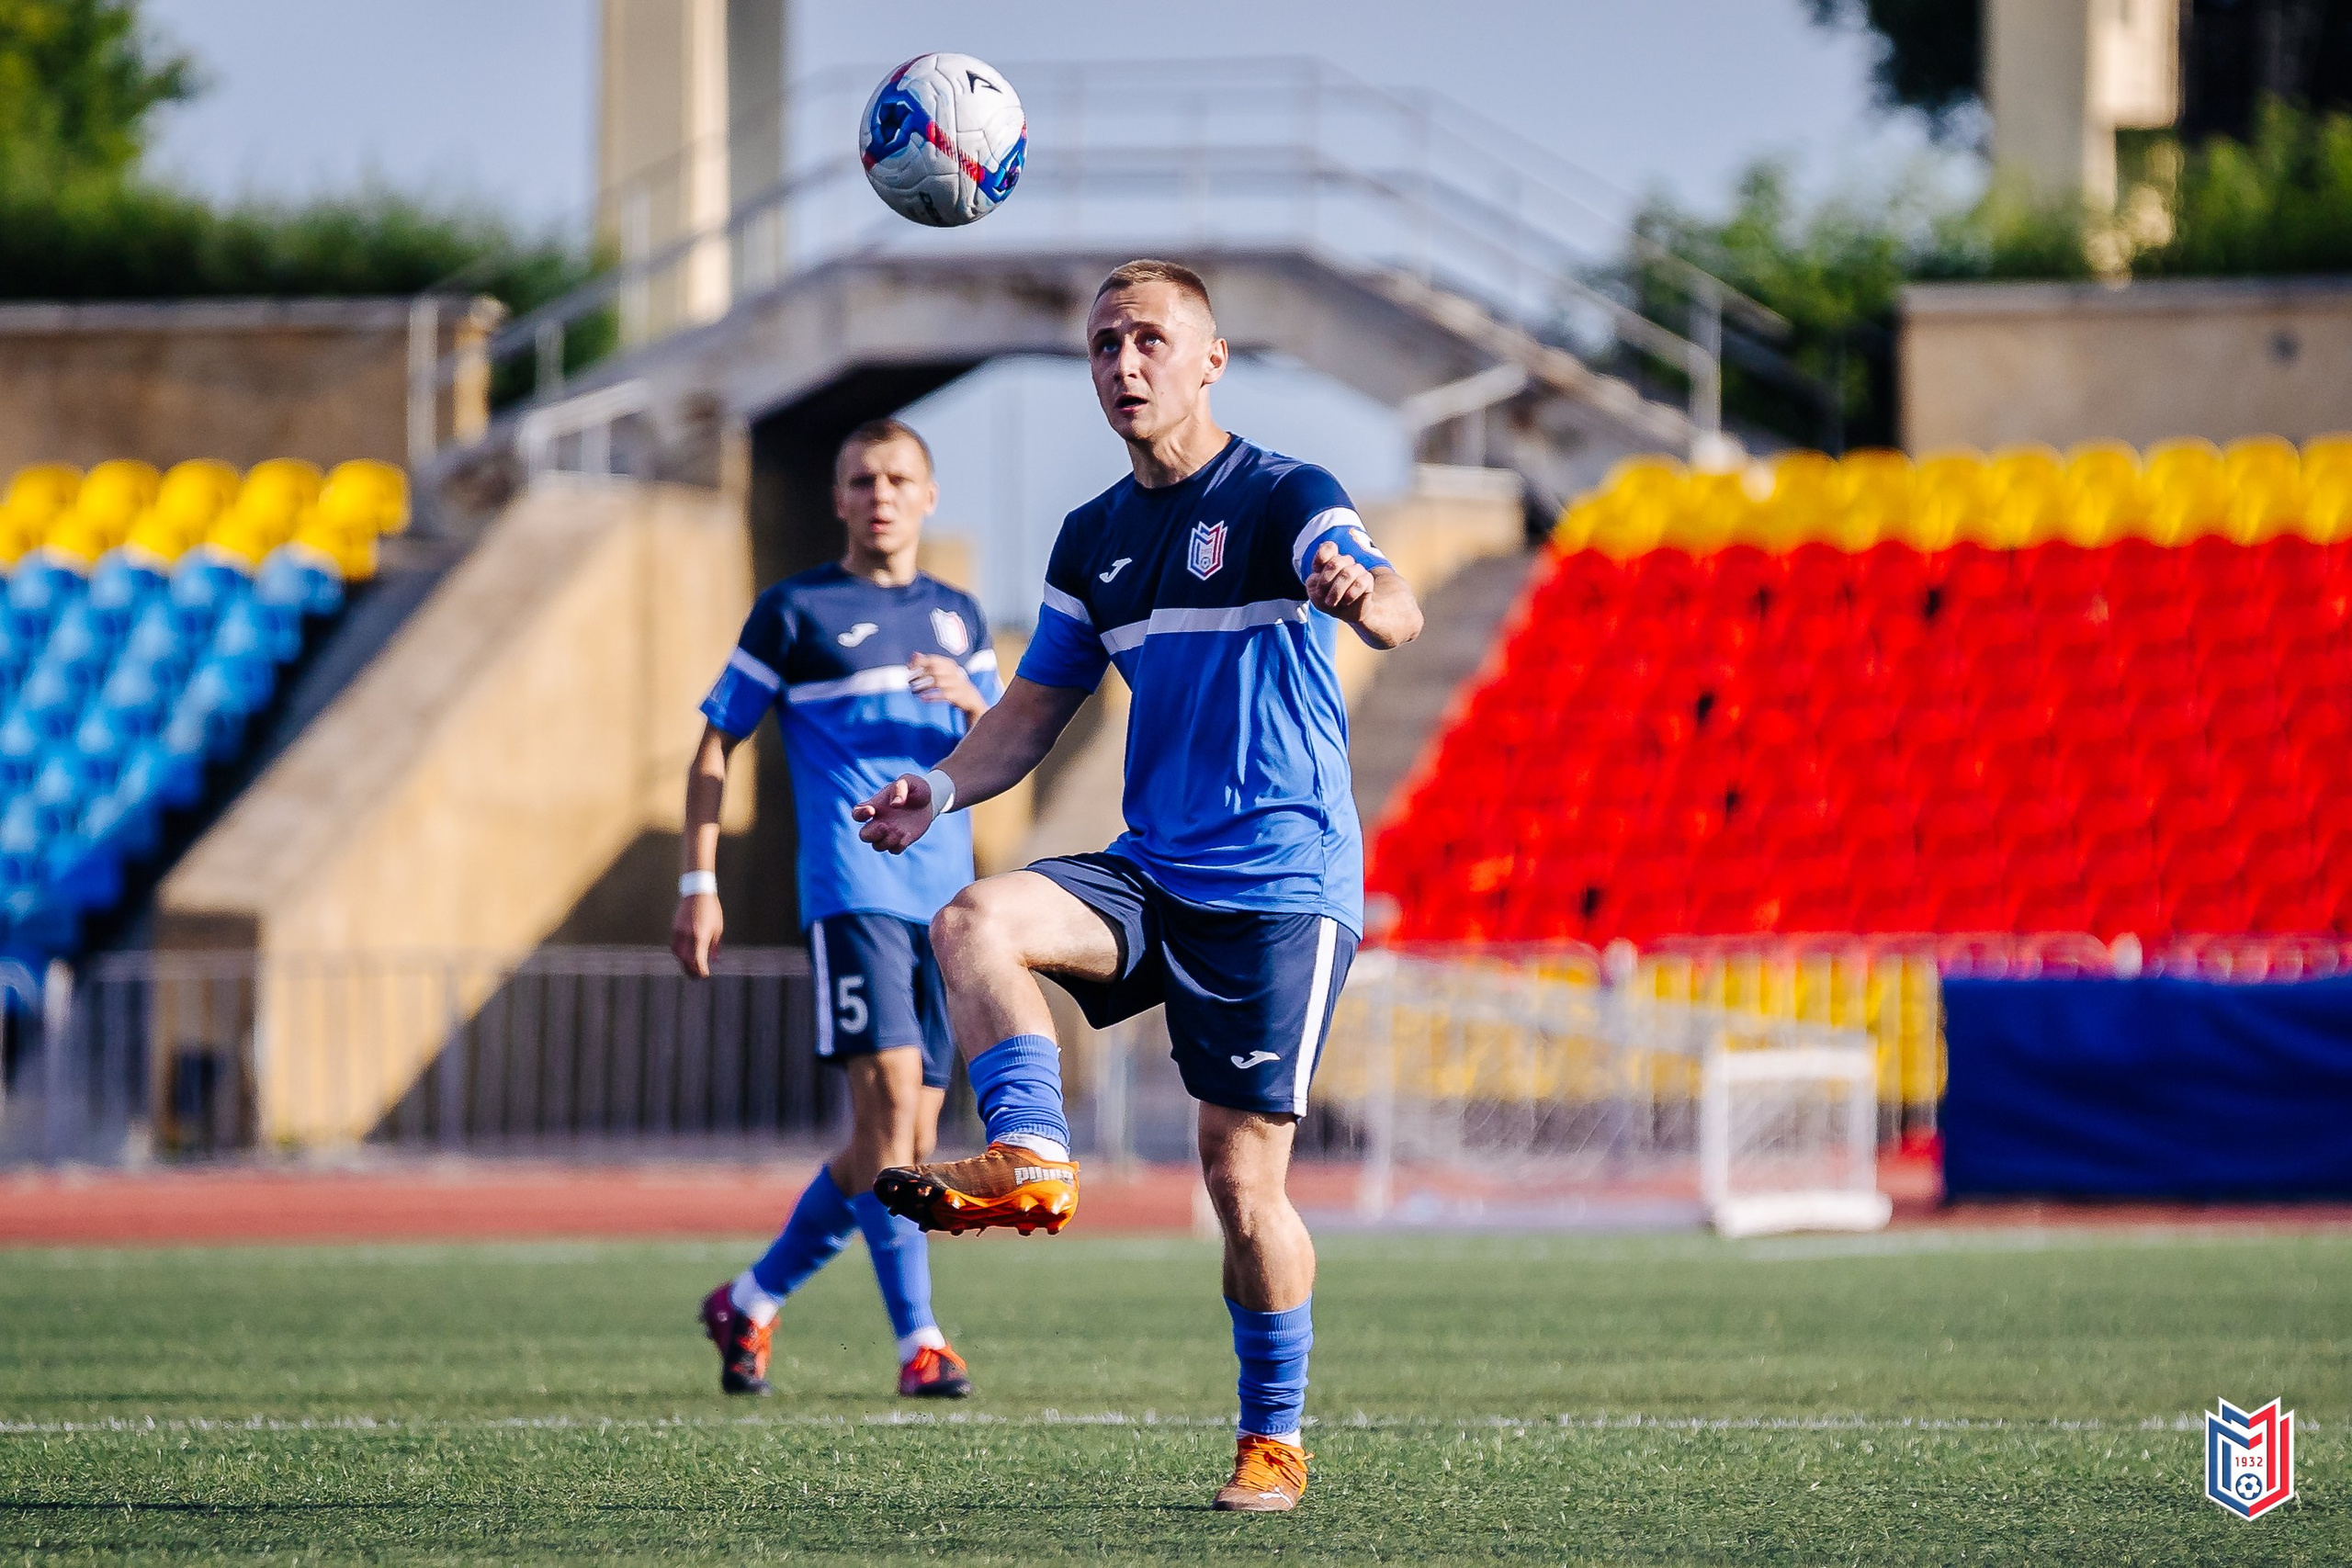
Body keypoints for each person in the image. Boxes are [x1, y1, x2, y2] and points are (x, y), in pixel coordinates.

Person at [852, 259, 1423, 1509]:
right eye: (1105, 344)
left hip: (1282, 884)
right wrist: (941, 787)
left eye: (1151, 340)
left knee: (1237, 1176)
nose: (1125, 365)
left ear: (1210, 359)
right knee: (974, 915)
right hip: (1154, 869)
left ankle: (1274, 1436)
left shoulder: (1285, 495)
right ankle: (1033, 1156)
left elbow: (1392, 592)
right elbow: (1028, 716)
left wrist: (1367, 598)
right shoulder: (1093, 539)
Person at [677, 417, 1001, 1401]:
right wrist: (699, 882)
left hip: (946, 905)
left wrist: (974, 702)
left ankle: (751, 1299)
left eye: (899, 478)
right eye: (861, 479)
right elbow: (713, 743)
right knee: (895, 1116)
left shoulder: (959, 617)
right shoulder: (794, 610)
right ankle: (921, 1343)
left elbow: (1001, 754)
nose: (881, 494)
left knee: (891, 1148)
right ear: (838, 498)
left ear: (929, 495)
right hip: (853, 889)